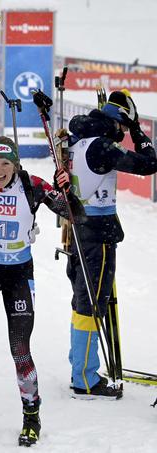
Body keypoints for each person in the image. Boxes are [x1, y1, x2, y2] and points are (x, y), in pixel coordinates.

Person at [0, 136, 84, 446]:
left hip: (18, 275)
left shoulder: (31, 185)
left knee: (20, 348)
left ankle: (31, 417)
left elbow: (74, 213)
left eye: (5, 164)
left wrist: (65, 188)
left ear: (15, 164)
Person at [64, 90, 157, 399]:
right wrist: (138, 131)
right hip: (97, 233)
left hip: (79, 227)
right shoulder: (102, 146)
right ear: (120, 121)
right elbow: (149, 163)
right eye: (124, 127)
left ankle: (80, 366)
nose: (123, 134)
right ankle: (85, 380)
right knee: (92, 304)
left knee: (82, 301)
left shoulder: (79, 138)